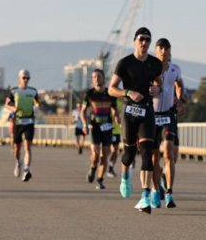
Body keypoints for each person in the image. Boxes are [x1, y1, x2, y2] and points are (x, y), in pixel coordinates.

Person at [108, 27, 163, 213]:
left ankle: (145, 195)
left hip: (147, 111)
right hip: (129, 112)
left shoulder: (155, 63)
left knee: (147, 152)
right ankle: (125, 176)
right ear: (135, 41)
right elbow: (111, 89)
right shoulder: (124, 63)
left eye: (147, 39)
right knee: (129, 154)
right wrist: (128, 92)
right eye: (141, 38)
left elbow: (160, 84)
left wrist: (157, 89)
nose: (144, 42)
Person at [150, 38, 187, 209]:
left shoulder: (175, 69)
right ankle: (155, 190)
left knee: (168, 153)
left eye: (166, 48)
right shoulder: (149, 68)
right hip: (152, 116)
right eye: (161, 48)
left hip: (169, 115)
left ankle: (169, 193)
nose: (164, 51)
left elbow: (180, 86)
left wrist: (181, 100)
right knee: (154, 157)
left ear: (170, 51)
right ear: (156, 50)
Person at [80, 68, 118, 189]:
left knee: (105, 154)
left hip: (107, 127)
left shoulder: (110, 93)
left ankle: (100, 180)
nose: (96, 79)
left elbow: (115, 109)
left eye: (99, 76)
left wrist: (117, 117)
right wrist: (85, 125)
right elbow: (82, 111)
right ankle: (93, 168)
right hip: (95, 126)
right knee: (96, 154)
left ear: (103, 78)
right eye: (94, 77)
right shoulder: (89, 94)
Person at [6, 69, 39, 181]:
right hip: (18, 122)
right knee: (17, 148)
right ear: (19, 78)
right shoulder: (14, 91)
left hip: (29, 121)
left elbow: (37, 102)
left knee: (28, 147)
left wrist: (39, 106)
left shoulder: (33, 91)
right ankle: (18, 162)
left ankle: (26, 170)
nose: (26, 80)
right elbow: (7, 104)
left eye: (28, 78)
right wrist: (12, 108)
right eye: (24, 78)